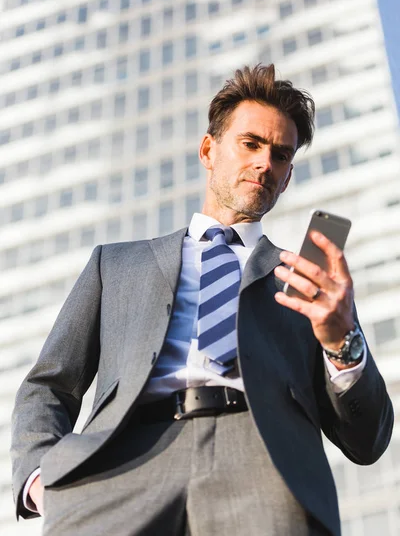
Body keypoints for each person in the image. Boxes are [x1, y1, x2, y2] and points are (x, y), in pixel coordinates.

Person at [11, 64, 393, 536]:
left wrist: (343, 344)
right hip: (119, 464)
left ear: (288, 176)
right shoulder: (116, 266)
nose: (264, 164)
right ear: (209, 150)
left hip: (263, 466)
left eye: (280, 155)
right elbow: (50, 384)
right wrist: (38, 477)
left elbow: (367, 439)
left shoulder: (310, 284)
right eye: (251, 144)